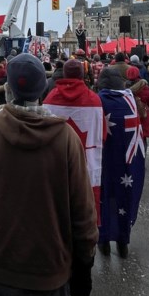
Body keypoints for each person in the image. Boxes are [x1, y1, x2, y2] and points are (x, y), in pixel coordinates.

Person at [0, 53, 97, 296]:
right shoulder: (66, 139)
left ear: (9, 88)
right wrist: (84, 261)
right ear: (42, 90)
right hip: (50, 268)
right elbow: (83, 211)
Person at [43, 59, 107, 226]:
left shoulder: (50, 98)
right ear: (82, 74)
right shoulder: (94, 100)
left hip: (56, 164)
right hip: (86, 166)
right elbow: (102, 134)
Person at [96, 66, 146, 258]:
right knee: (125, 196)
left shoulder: (99, 100)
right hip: (129, 158)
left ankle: (104, 239)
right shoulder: (130, 99)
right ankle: (123, 240)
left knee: (104, 195)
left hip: (106, 158)